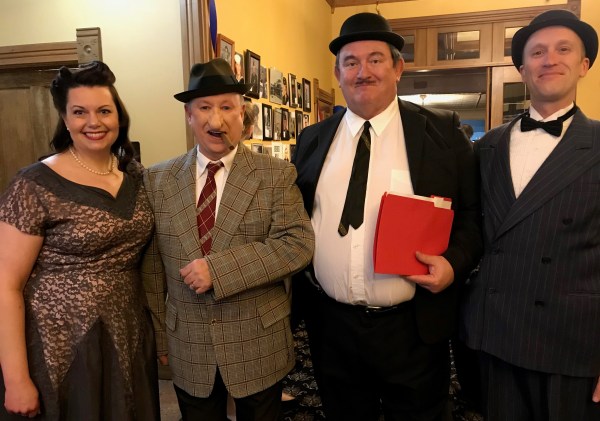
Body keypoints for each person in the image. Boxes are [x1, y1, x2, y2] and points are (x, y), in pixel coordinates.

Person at [292, 12, 482, 421]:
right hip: (332, 326)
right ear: (338, 74)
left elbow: (472, 214)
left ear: (398, 68)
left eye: (375, 59)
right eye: (351, 62)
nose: (363, 72)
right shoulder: (312, 139)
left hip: (412, 328)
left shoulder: (442, 132)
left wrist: (453, 264)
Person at [141, 58, 314, 421]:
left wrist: (218, 271)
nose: (215, 120)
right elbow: (153, 267)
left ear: (242, 113)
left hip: (258, 341)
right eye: (204, 108)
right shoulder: (156, 179)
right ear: (189, 115)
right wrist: (160, 335)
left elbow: (297, 244)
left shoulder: (275, 175)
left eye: (226, 107)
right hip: (188, 343)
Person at [460, 9, 600, 420]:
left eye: (563, 49)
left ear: (584, 65)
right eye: (537, 52)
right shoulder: (489, 145)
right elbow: (470, 225)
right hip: (495, 332)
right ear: (522, 69)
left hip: (572, 340)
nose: (549, 59)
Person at [0, 61, 159, 420]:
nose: (93, 122)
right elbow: (5, 285)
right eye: (79, 112)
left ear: (118, 116)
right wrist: (16, 380)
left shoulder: (136, 176)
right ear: (65, 119)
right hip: (58, 347)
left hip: (128, 333)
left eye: (104, 111)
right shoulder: (33, 184)